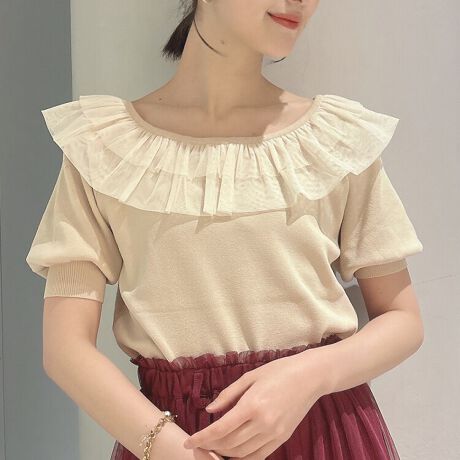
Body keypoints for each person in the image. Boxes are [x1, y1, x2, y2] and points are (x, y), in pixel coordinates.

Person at [25, 0, 425, 459]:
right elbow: (65, 349)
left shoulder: (335, 141)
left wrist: (309, 376)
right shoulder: (104, 147)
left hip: (322, 432)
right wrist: (175, 450)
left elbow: (403, 320)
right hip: (172, 438)